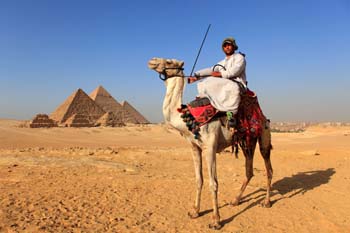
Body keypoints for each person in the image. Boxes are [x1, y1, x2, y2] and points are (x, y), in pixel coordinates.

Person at [188, 37, 247, 117]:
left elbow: (235, 71)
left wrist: (220, 74)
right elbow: (210, 70)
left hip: (238, 84)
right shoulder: (222, 62)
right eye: (225, 46)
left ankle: (231, 112)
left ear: (233, 46)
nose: (227, 47)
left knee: (228, 85)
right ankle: (204, 99)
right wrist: (196, 76)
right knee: (206, 81)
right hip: (225, 83)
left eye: (229, 45)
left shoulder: (239, 58)